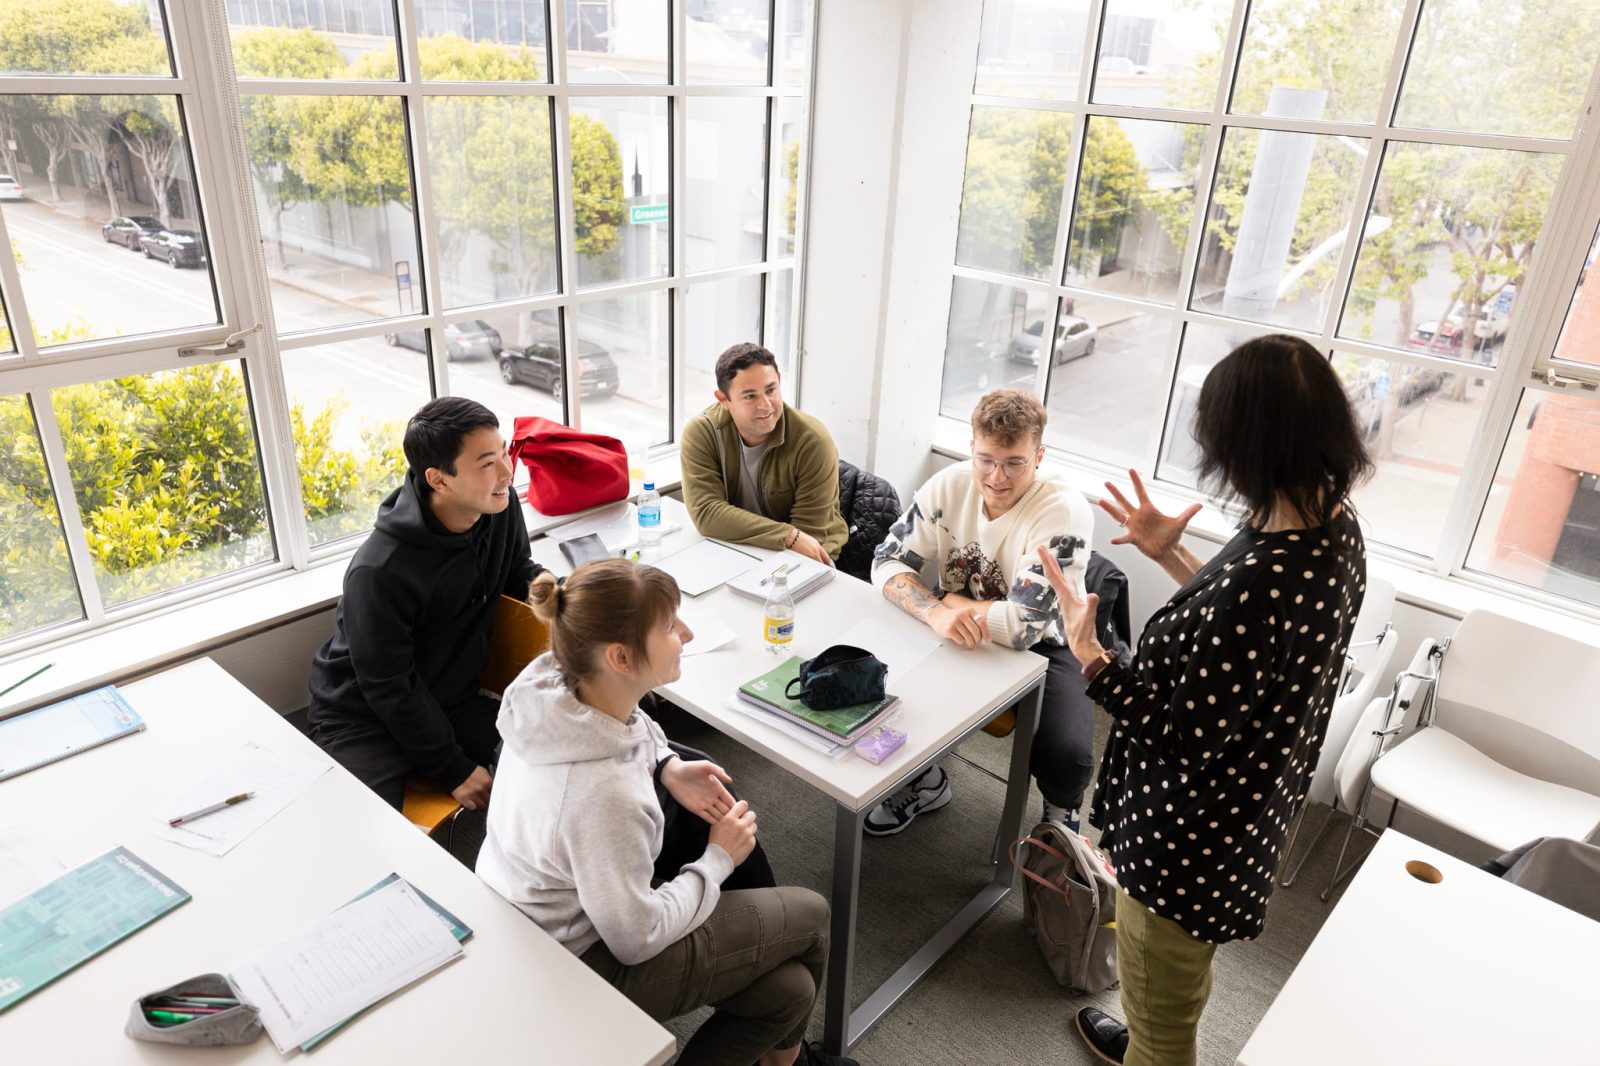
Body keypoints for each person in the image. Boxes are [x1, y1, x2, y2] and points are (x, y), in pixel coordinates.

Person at [1040, 335, 1370, 1066]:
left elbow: (1184, 734)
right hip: (1244, 814)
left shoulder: (1266, 576)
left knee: (1163, 1003)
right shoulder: (1329, 524)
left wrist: (1090, 652)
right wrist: (1171, 556)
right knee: (1175, 973)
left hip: (1188, 834)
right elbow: (1251, 654)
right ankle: (1153, 1023)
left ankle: (1154, 1044)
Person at [477, 560, 857, 1066]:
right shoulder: (599, 795)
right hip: (577, 960)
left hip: (530, 915)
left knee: (788, 992)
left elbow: (632, 726)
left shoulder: (554, 681)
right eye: (669, 626)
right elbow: (637, 938)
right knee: (812, 916)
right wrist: (718, 858)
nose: (687, 632)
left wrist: (667, 764)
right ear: (621, 657)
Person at [867, 389, 1096, 836]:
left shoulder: (1064, 511)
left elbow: (1023, 628)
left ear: (1039, 456)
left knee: (1066, 753)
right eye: (986, 459)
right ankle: (924, 781)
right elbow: (885, 562)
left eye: (1015, 462)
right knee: (887, 689)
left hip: (1049, 643)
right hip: (954, 626)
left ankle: (1060, 815)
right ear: (971, 448)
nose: (997, 477)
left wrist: (948, 601)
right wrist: (935, 612)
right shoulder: (947, 485)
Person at [306, 397, 546, 812]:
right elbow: (388, 685)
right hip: (362, 718)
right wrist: (452, 768)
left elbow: (517, 571)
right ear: (439, 480)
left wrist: (573, 600)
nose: (508, 472)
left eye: (504, 452)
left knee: (559, 752)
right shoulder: (380, 571)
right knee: (371, 832)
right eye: (487, 463)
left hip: (449, 698)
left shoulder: (498, 507)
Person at [681, 342, 848, 567]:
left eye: (771, 390)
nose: (765, 405)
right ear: (723, 400)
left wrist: (791, 541)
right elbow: (707, 513)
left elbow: (810, 539)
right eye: (750, 396)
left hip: (807, 561)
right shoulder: (703, 433)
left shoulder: (812, 441)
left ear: (779, 379)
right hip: (738, 551)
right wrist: (788, 536)